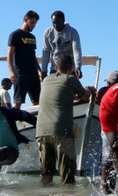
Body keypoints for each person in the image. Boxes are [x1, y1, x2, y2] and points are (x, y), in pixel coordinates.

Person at [35, 54, 95, 185]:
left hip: (41, 132)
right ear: (71, 68)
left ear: (56, 67)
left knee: (46, 176)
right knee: (67, 178)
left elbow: (61, 95)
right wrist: (90, 90)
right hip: (62, 132)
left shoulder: (46, 80)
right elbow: (85, 96)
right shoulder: (70, 79)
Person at [7, 10, 43, 108]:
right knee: (18, 102)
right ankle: (13, 122)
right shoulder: (15, 35)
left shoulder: (32, 37)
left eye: (35, 23)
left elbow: (33, 55)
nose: (34, 25)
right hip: (20, 74)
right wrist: (11, 71)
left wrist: (39, 71)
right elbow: (9, 54)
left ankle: (35, 123)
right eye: (32, 22)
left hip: (33, 74)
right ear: (25, 20)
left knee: (37, 102)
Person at [41, 11, 82, 79]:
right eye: (54, 23)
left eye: (58, 23)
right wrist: (44, 70)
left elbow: (76, 50)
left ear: (63, 21)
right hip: (55, 69)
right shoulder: (48, 32)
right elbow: (46, 51)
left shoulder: (72, 32)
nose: (56, 25)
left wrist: (78, 67)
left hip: (70, 69)